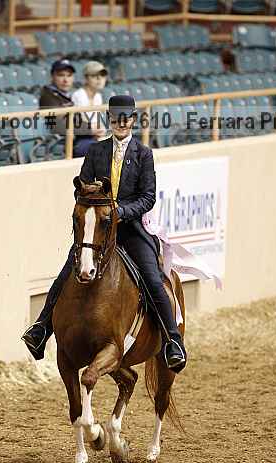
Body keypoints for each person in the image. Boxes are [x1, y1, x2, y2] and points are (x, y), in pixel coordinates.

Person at [22, 95, 187, 373]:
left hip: (130, 229)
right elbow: (82, 190)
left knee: (152, 277)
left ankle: (172, 341)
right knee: (66, 272)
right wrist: (95, 206)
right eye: (115, 119)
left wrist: (120, 211)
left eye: (125, 119)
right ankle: (41, 328)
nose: (120, 124)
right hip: (99, 230)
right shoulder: (95, 152)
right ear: (109, 120)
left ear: (132, 120)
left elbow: (147, 197)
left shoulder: (143, 154)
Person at [71, 61, 108, 158]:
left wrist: (101, 131)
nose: (99, 79)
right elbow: (78, 125)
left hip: (96, 137)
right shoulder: (78, 95)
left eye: (102, 75)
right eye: (94, 75)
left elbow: (99, 124)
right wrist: (96, 130)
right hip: (81, 140)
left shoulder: (98, 96)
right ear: (86, 78)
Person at [39, 58, 75, 136]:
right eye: (61, 75)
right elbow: (59, 125)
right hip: (61, 139)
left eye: (69, 76)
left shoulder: (73, 94)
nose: (66, 80)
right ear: (52, 77)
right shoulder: (47, 96)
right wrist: (90, 128)